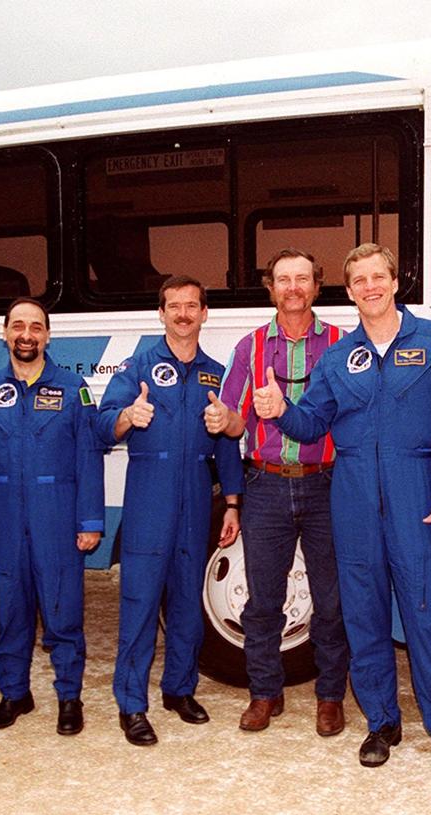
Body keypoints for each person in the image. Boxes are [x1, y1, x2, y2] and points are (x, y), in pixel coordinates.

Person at [255, 243, 431, 777]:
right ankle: (381, 722)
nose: (371, 287)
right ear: (349, 292)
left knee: (427, 616)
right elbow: (312, 424)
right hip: (351, 497)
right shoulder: (338, 357)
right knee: (364, 617)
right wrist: (282, 411)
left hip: (416, 493)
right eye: (360, 281)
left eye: (379, 277)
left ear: (395, 283)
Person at [204, 248, 349, 737]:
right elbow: (233, 417)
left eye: (302, 279)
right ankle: (265, 693)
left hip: (326, 486)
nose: (292, 288)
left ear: (316, 285)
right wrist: (225, 420)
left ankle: (330, 697)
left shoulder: (340, 345)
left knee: (330, 601)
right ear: (271, 287)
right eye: (283, 279)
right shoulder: (248, 348)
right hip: (265, 484)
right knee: (262, 601)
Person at [97, 275, 243, 746]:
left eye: (191, 306)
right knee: (140, 602)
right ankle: (131, 705)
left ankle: (179, 689)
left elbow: (227, 445)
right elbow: (101, 426)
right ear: (161, 314)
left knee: (187, 602)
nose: (183, 314)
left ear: (204, 314)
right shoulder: (136, 368)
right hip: (149, 498)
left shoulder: (215, 374)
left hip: (199, 496)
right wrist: (126, 418)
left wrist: (233, 504)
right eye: (173, 306)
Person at [0, 298, 104, 736]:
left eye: (36, 327)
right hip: (5, 509)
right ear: (5, 333)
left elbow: (88, 457)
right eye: (18, 326)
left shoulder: (72, 388)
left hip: (57, 511)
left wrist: (90, 521)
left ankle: (68, 697)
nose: (27, 334)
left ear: (47, 335)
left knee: (62, 608)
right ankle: (13, 693)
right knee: (11, 607)